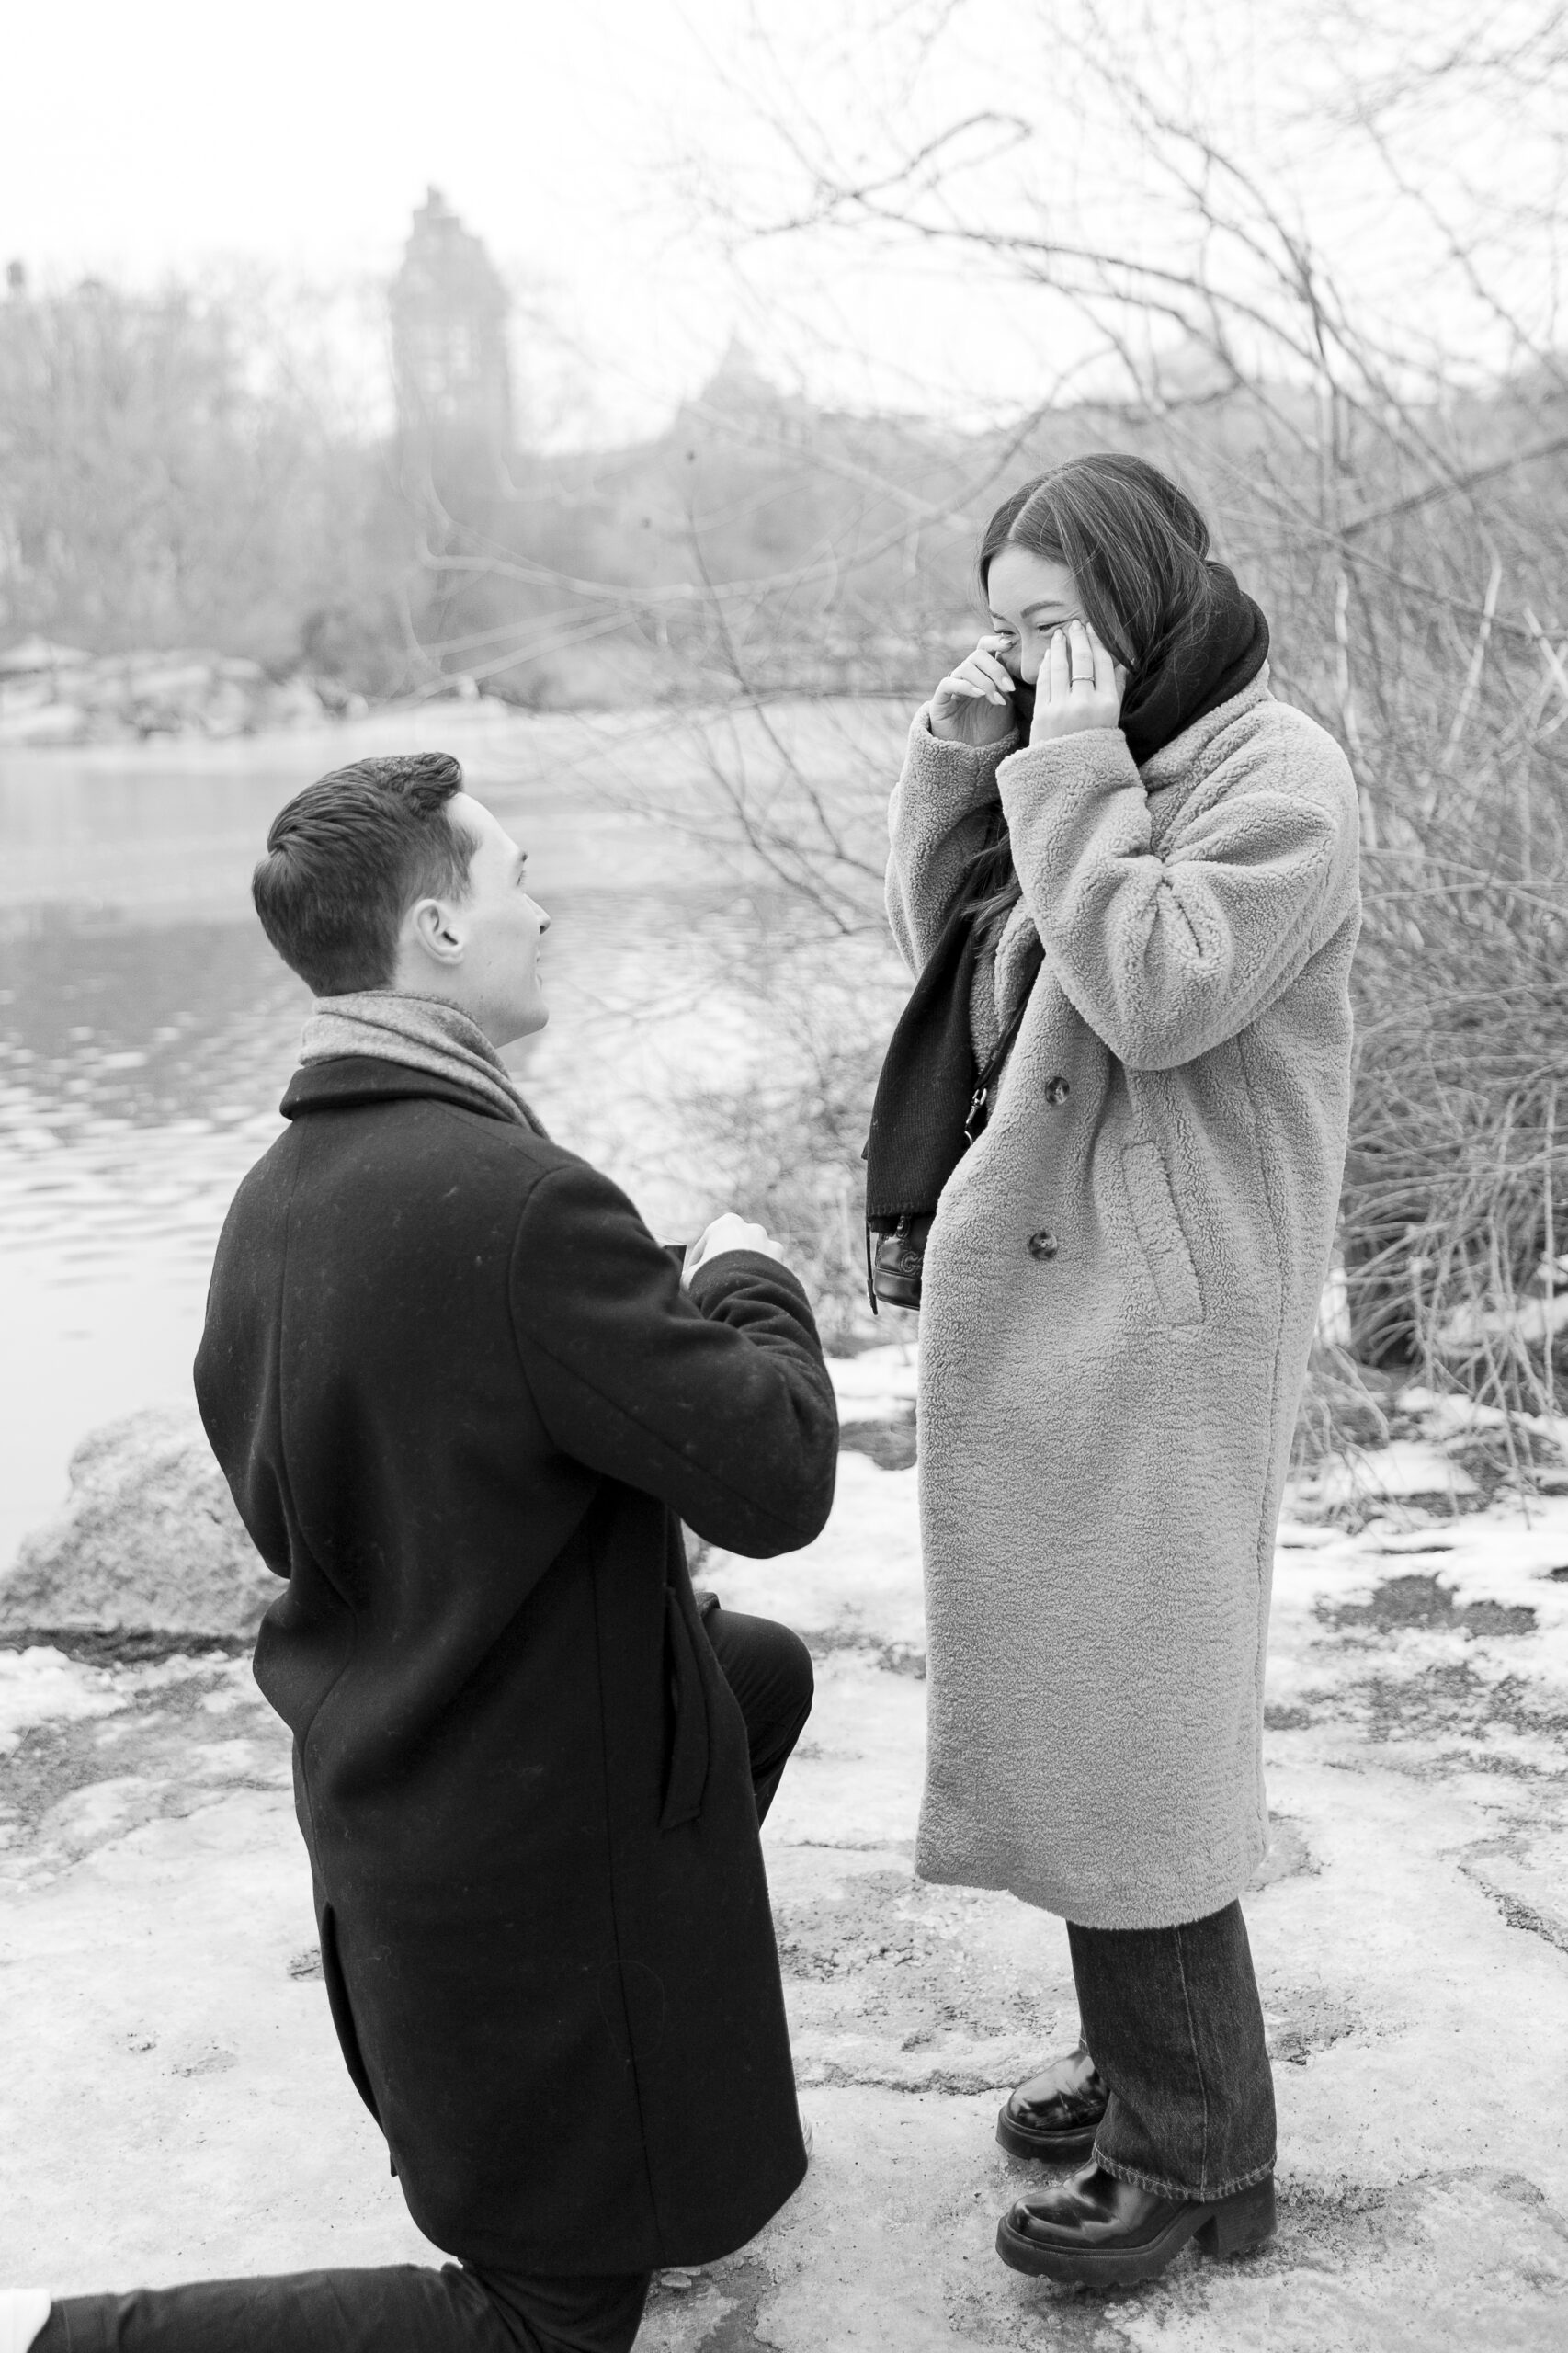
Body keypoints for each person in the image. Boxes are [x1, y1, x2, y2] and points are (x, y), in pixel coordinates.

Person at [6, 751, 837, 2353]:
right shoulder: (516, 1200)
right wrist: (748, 1273)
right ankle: (63, 2331)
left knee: (748, 1674)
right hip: (514, 1868)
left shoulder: (273, 1200)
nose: (548, 905)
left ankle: (637, 2086)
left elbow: (309, 1500)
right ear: (440, 932)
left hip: (397, 1805)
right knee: (543, 2326)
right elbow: (779, 1474)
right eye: (520, 875)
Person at [865, 453, 1359, 2288]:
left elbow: (1154, 984)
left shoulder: (1270, 769)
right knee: (1085, 1698)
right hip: (1076, 1280)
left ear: (1142, 600)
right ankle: (1146, 2055)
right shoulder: (1119, 746)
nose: (1031, 663)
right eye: (1003, 631)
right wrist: (958, 765)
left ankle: (1200, 2154)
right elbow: (974, 962)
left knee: (1133, 1719)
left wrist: (1064, 769)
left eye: (1054, 624)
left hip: (1172, 1293)